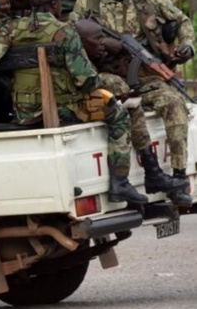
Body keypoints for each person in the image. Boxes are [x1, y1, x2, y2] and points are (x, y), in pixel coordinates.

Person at [0, 0, 147, 205]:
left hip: (25, 112)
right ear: (55, 4)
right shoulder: (64, 32)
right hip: (61, 109)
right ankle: (120, 184)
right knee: (119, 115)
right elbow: (85, 80)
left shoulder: (11, 28)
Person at [70, 0, 194, 204]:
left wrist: (188, 45)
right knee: (127, 95)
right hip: (108, 76)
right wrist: (105, 43)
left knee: (174, 101)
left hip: (145, 78)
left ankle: (179, 178)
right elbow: (73, 37)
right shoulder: (85, 4)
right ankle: (152, 170)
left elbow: (181, 21)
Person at [75, 19, 190, 205]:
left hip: (133, 78)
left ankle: (169, 173)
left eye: (102, 38)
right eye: (98, 40)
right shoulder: (76, 37)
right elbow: (86, 78)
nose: (102, 43)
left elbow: (181, 21)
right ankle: (147, 171)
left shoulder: (141, 1)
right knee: (126, 105)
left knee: (167, 100)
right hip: (84, 98)